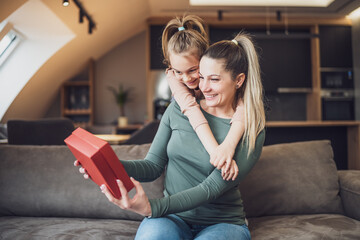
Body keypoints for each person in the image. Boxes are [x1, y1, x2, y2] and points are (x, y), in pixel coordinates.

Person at [78, 31, 266, 239]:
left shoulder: (251, 130)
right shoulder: (178, 109)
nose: (204, 87)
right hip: (172, 217)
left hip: (223, 222)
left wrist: (152, 208)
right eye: (202, 77)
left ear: (238, 80)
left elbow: (210, 188)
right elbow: (152, 167)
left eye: (214, 79)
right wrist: (109, 165)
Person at [162, 15, 246, 180]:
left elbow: (244, 106)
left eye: (193, 70)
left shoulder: (219, 75)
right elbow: (191, 110)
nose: (186, 79)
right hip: (187, 122)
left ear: (205, 60)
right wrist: (218, 155)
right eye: (178, 71)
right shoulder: (173, 77)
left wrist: (228, 146)